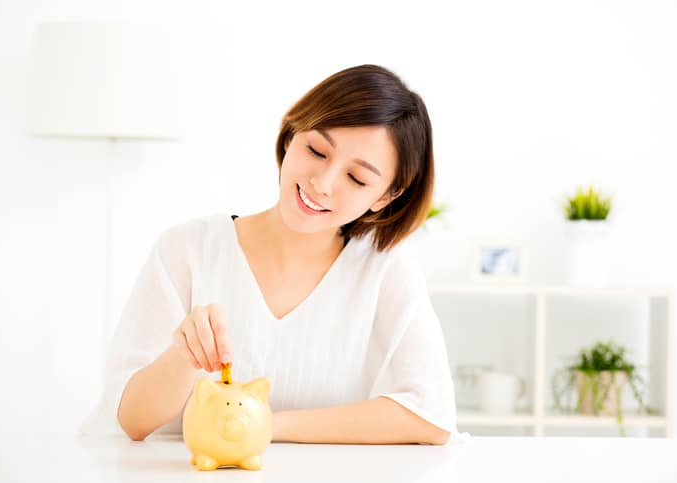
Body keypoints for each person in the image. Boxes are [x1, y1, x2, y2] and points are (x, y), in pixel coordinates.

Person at [81, 64, 467, 445]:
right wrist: (183, 357)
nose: (323, 183)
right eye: (316, 150)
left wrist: (263, 423)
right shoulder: (188, 249)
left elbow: (430, 416)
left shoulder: (385, 271)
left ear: (384, 196)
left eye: (357, 178)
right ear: (290, 135)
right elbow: (131, 420)